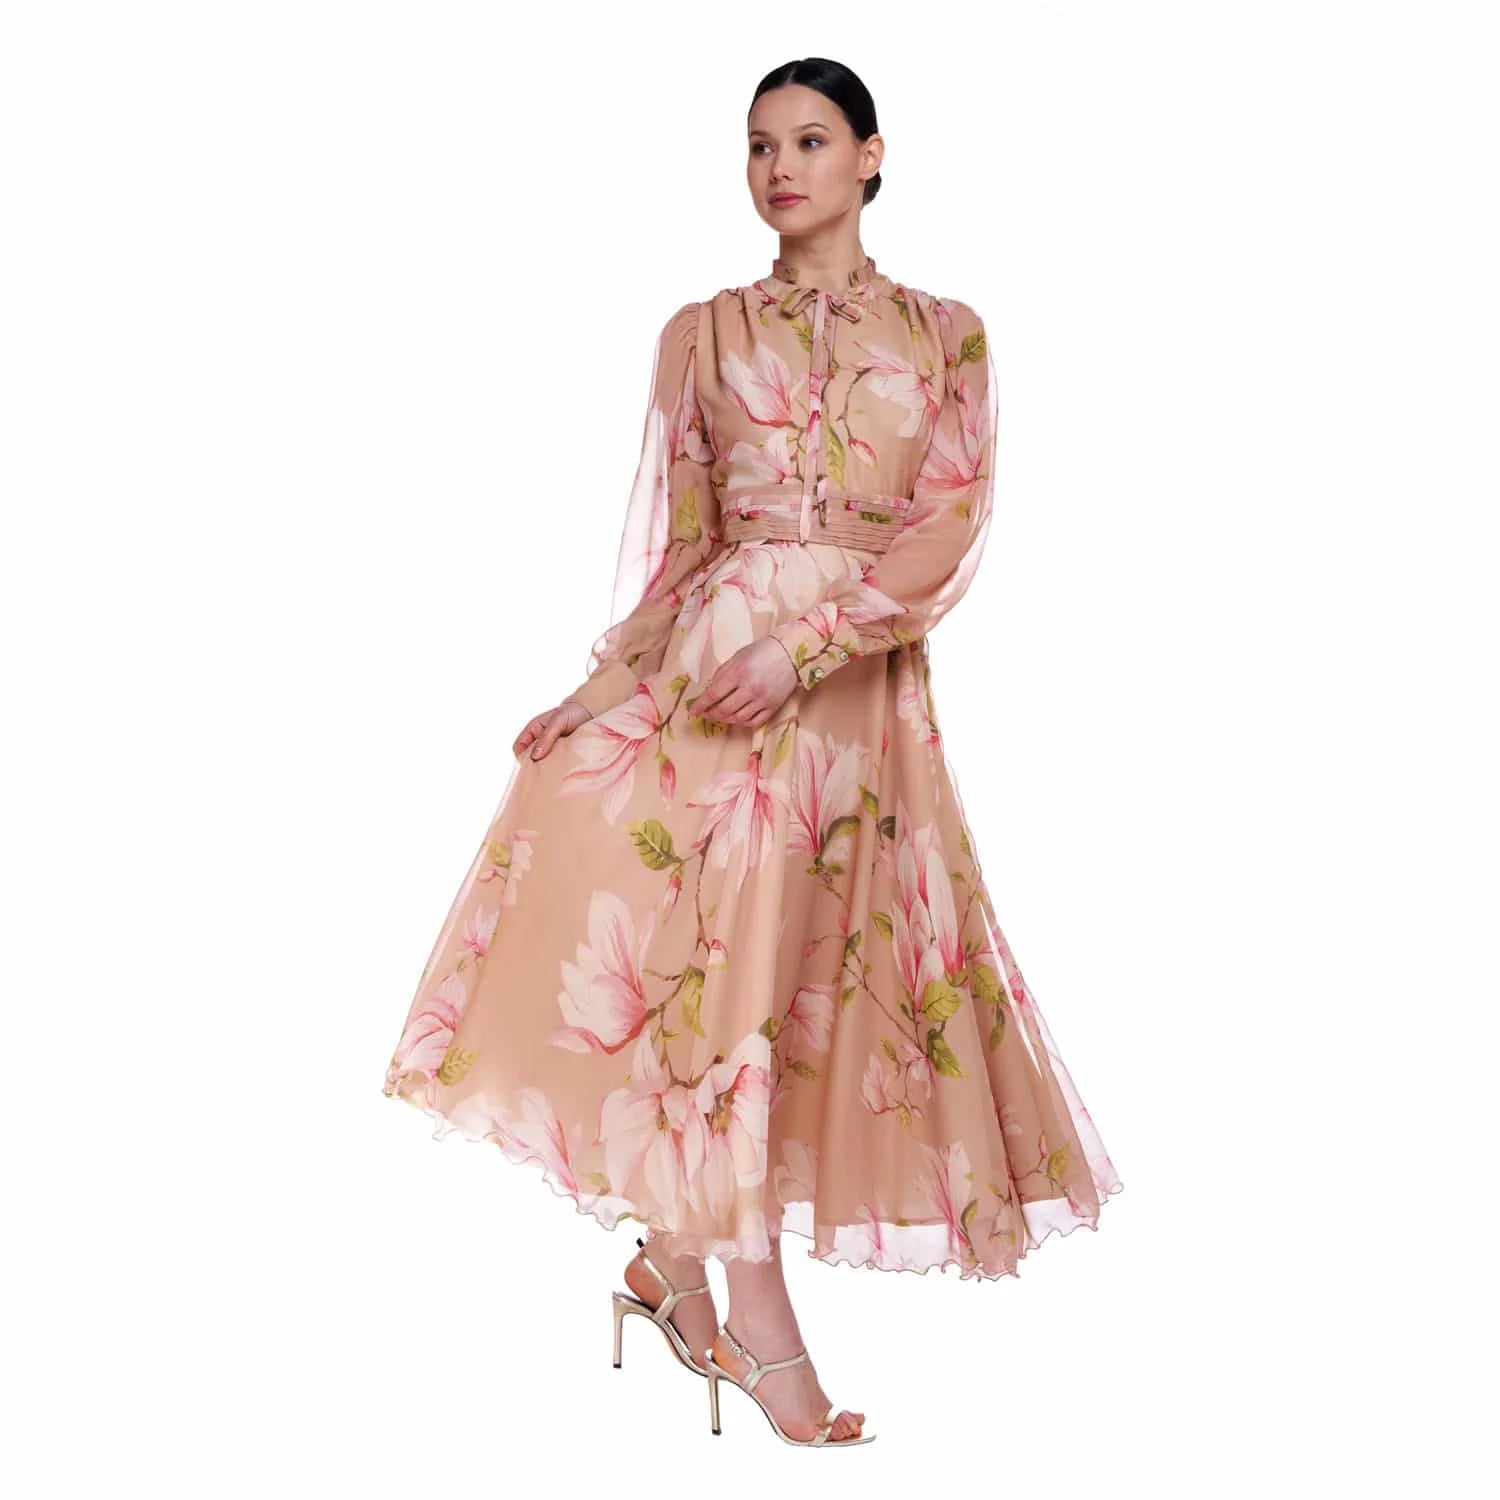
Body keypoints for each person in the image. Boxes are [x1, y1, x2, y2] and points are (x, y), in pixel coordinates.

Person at [382, 56, 1123, 1448]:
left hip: (850, 699)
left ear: (871, 156)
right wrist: (599, 687)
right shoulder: (700, 333)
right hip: (709, 687)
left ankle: (674, 1271)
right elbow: (685, 547)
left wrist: (809, 644)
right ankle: (753, 1315)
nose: (782, 168)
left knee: (800, 989)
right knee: (710, 987)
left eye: (811, 141)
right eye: (761, 146)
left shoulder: (948, 334)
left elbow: (950, 525)